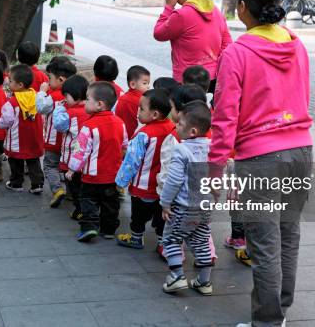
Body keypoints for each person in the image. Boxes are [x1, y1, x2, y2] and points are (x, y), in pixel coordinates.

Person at [209, 0, 313, 327]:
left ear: (242, 7)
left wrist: (215, 169)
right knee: (288, 233)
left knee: (265, 242)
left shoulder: (236, 54)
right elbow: (302, 95)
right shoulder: (296, 45)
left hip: (260, 159)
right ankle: (280, 309)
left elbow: (224, 118)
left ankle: (268, 321)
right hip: (301, 152)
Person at [160, 101, 214, 295]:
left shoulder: (181, 150)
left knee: (171, 239)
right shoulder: (213, 148)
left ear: (192, 131)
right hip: (205, 207)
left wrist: (165, 203)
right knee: (201, 241)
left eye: (180, 124)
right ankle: (204, 281)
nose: (176, 126)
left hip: (183, 207)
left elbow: (173, 180)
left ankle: (177, 277)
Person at [115, 89, 174, 258]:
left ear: (155, 114)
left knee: (138, 217)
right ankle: (163, 244)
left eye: (141, 108)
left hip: (142, 187)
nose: (137, 111)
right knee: (161, 217)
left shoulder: (144, 134)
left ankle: (136, 238)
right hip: (162, 188)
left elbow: (131, 161)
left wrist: (121, 182)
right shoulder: (172, 129)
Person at [66, 82, 128, 242]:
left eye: (87, 99)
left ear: (99, 104)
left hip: (91, 177)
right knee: (110, 203)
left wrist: (72, 168)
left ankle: (89, 227)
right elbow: (125, 146)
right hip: (112, 175)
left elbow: (80, 151)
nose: (85, 102)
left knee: (88, 202)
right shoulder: (120, 123)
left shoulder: (88, 126)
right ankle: (108, 228)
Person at [153, 0, 232, 87]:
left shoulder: (181, 15)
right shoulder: (215, 11)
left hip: (187, 78)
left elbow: (158, 33)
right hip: (212, 77)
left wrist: (168, 7)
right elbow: (227, 44)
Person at [0, 65, 45, 193]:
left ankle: (16, 183)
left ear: (20, 85)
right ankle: (37, 184)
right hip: (34, 137)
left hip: (17, 139)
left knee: (15, 161)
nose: (8, 82)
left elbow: (7, 120)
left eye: (11, 81)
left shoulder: (12, 103)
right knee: (33, 160)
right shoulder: (36, 97)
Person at [37, 57, 77, 202]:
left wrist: (41, 92)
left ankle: (57, 189)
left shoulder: (52, 96)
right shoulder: (76, 96)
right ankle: (72, 193)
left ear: (60, 79)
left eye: (50, 78)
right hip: (69, 142)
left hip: (53, 140)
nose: (48, 81)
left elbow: (40, 108)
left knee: (49, 165)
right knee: (67, 168)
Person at [53, 75, 91, 218]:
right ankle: (86, 208)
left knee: (75, 185)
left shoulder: (70, 113)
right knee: (85, 184)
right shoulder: (90, 110)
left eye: (66, 96)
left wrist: (59, 109)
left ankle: (80, 209)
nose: (65, 99)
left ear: (75, 95)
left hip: (73, 156)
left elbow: (59, 125)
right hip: (87, 157)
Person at [115, 65, 151, 139]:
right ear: (133, 84)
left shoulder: (123, 97)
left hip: (119, 133)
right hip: (132, 136)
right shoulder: (141, 101)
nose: (148, 86)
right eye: (145, 83)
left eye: (148, 83)